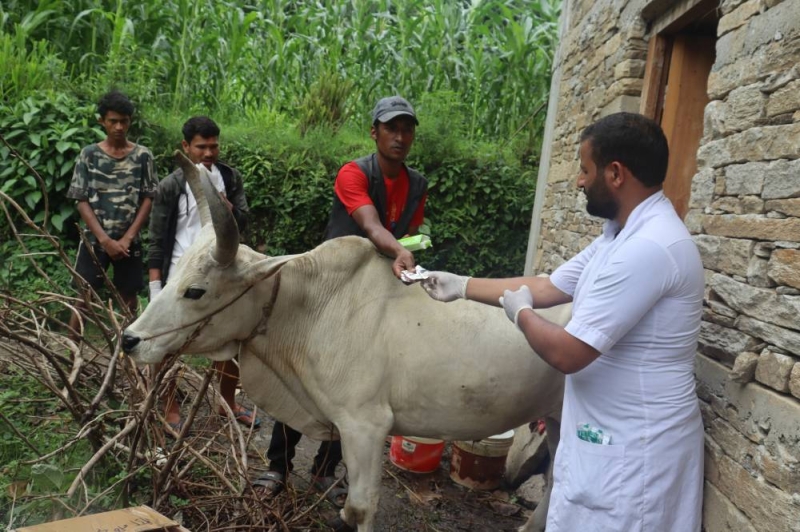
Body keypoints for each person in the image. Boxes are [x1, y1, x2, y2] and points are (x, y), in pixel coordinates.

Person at [420, 112, 704, 531]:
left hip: (636, 448)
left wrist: (522, 315)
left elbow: (568, 353)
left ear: (616, 173)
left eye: (584, 169)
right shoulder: (617, 235)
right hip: (608, 435)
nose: (578, 181)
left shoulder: (649, 247)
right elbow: (548, 285)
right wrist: (460, 286)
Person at [255, 95, 427, 507]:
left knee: (353, 387)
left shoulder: (416, 183)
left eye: (406, 129)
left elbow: (410, 235)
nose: (400, 137)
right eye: (391, 128)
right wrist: (399, 250)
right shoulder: (354, 173)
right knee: (303, 374)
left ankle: (323, 470)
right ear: (375, 132)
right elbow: (370, 225)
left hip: (373, 294)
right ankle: (277, 464)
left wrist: (411, 258)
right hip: (329, 292)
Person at [148, 116, 260, 431]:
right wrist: (156, 287)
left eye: (214, 145)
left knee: (232, 339)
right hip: (181, 276)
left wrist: (226, 206)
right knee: (168, 344)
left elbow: (244, 221)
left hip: (223, 275)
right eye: (201, 147)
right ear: (186, 147)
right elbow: (157, 239)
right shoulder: (171, 186)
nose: (209, 153)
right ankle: (169, 407)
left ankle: (226, 402)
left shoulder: (230, 178)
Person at [68, 90, 156, 339]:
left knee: (129, 297)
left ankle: (129, 353)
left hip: (130, 242)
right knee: (83, 296)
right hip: (95, 240)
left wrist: (128, 238)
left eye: (124, 121)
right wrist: (105, 240)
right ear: (102, 121)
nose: (119, 127)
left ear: (130, 121)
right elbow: (81, 200)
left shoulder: (142, 156)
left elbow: (148, 198)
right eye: (113, 121)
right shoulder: (89, 155)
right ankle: (70, 353)